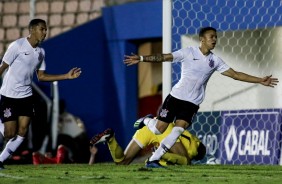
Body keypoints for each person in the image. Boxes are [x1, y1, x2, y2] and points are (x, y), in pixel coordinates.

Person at [124, 26, 279, 168]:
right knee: (159, 130)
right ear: (202, 39)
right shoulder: (188, 52)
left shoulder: (215, 60)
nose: (214, 40)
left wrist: (260, 80)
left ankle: (153, 160)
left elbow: (236, 75)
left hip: (192, 102)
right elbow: (165, 57)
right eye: (212, 37)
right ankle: (147, 120)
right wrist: (142, 58)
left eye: (216, 37)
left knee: (178, 130)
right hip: (176, 97)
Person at [0, 19, 82, 170]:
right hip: (9, 95)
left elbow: (42, 76)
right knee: (9, 134)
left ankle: (0, 160)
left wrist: (66, 76)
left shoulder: (41, 53)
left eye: (46, 30)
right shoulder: (17, 46)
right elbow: (2, 68)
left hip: (26, 96)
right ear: (31, 30)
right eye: (42, 29)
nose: (45, 32)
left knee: (23, 131)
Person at [89, 122, 206, 166]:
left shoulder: (191, 137)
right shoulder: (194, 148)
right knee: (186, 162)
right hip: (165, 130)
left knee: (122, 162)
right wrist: (163, 155)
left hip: (151, 127)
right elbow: (185, 160)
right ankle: (157, 155)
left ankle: (111, 139)